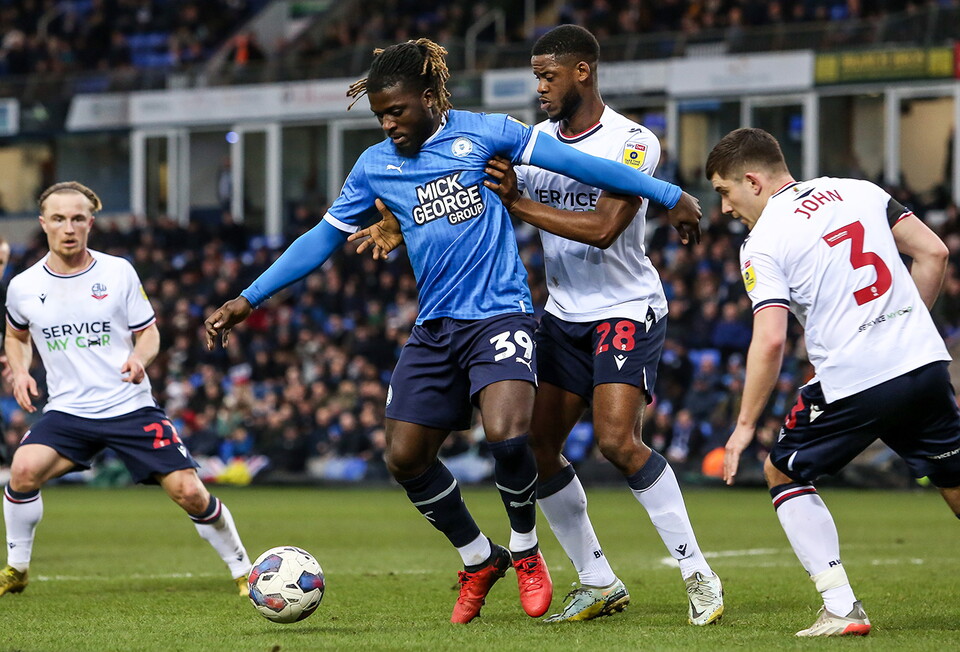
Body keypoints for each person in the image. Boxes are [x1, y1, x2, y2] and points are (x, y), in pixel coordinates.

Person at [204, 38, 701, 624]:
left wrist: (668, 193)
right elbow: (321, 238)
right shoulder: (375, 166)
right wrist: (248, 298)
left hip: (501, 314)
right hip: (436, 326)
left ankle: (526, 551)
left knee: (510, 438)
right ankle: (478, 556)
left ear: (430, 97)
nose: (389, 125)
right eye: (380, 116)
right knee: (404, 457)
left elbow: (583, 166)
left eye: (397, 111)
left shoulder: (487, 132)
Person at [353, 25, 722, 626]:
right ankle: (597, 579)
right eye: (536, 78)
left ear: (583, 71)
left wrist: (521, 202)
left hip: (625, 307)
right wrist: (398, 221)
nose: (541, 88)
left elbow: (604, 228)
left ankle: (697, 572)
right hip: (562, 313)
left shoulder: (632, 141)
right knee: (535, 448)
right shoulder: (534, 139)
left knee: (616, 442)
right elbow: (454, 185)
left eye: (548, 76)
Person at [711, 128, 959, 637]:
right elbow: (934, 252)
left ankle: (842, 607)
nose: (725, 208)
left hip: (856, 375)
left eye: (725, 192)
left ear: (753, 181)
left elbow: (771, 340)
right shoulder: (858, 191)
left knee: (783, 472)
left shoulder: (763, 242)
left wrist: (744, 425)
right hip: (924, 361)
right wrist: (903, 326)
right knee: (954, 479)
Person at [1, 182, 251, 598]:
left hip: (128, 405)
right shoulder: (23, 286)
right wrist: (20, 370)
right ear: (43, 223)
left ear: (91, 223)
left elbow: (149, 334)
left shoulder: (117, 272)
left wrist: (139, 359)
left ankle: (245, 571)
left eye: (77, 218)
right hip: (68, 411)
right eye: (59, 219)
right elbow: (15, 336)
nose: (68, 228)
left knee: (189, 491)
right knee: (23, 470)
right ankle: (17, 568)